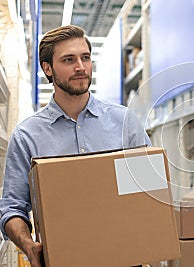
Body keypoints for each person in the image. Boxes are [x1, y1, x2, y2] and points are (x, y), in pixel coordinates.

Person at [0, 25, 151, 267]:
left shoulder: (125, 122)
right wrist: (28, 245)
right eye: (69, 60)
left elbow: (149, 191)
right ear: (47, 68)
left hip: (125, 257)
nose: (81, 67)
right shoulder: (27, 135)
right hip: (62, 259)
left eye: (86, 58)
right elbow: (12, 208)